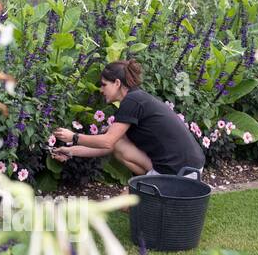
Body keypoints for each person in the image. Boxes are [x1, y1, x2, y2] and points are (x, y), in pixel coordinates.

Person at [51, 59, 205, 178]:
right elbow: (109, 146)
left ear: (117, 83)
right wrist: (70, 151)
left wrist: (73, 136)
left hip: (180, 172)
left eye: (104, 85)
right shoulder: (136, 99)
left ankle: (158, 192)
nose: (100, 89)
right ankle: (152, 186)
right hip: (189, 168)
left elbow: (107, 142)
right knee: (119, 145)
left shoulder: (132, 101)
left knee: (129, 205)